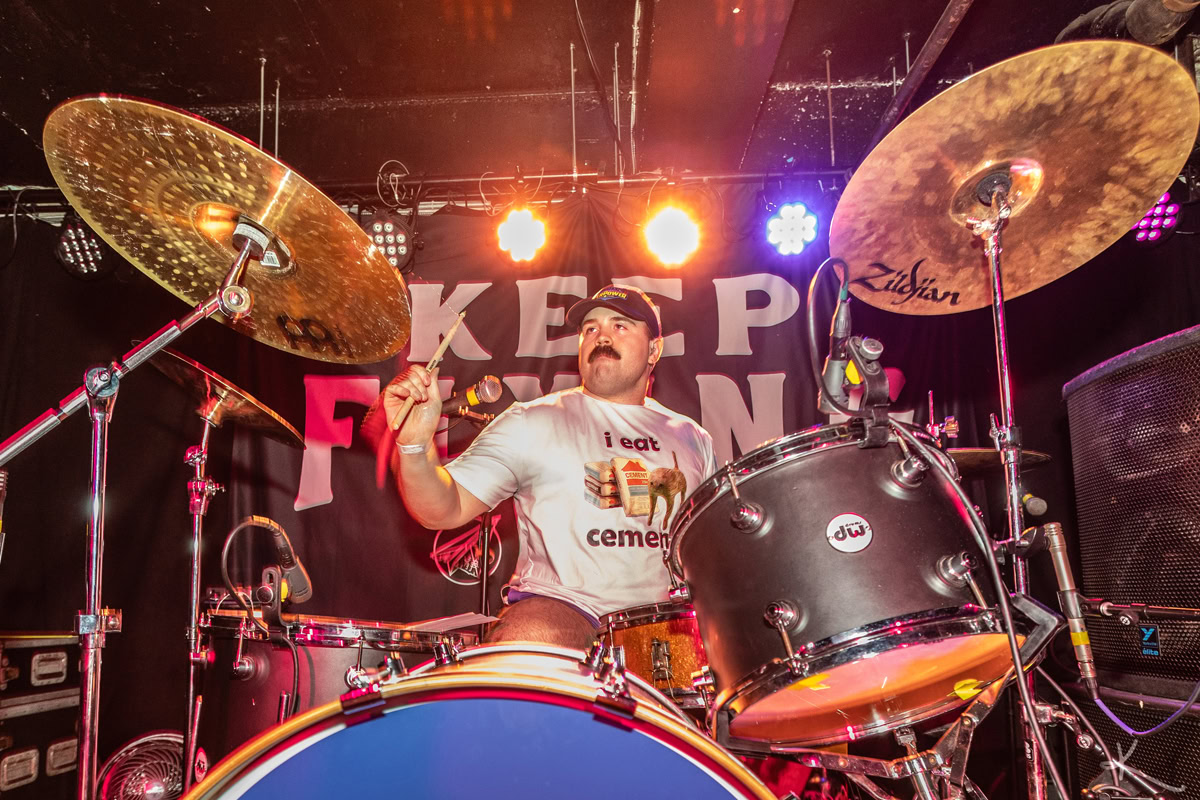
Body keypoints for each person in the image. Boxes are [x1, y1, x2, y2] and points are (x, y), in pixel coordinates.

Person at [382, 284, 716, 648]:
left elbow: (716, 551)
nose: (602, 336)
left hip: (665, 623)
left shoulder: (692, 438)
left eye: (620, 326)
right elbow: (441, 509)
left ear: (654, 349)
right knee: (521, 656)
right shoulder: (532, 421)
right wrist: (414, 444)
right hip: (562, 608)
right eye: (590, 329)